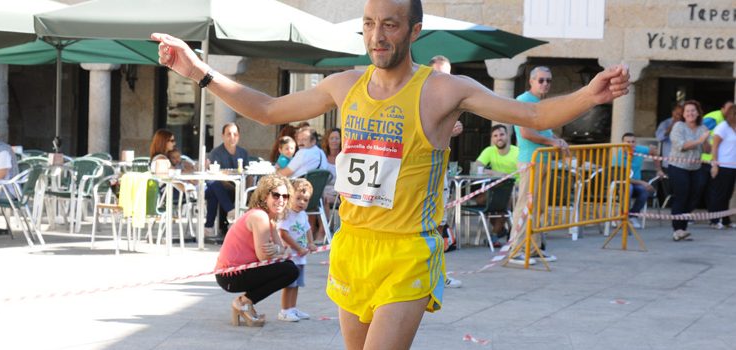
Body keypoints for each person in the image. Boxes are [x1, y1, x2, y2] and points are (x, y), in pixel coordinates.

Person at [152, 0, 629, 345]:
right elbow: (269, 108)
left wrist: (589, 96)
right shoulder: (344, 84)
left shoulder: (443, 90)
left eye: (390, 25)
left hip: (407, 252)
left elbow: (530, 117)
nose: (378, 36)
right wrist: (200, 73)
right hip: (353, 245)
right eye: (369, 24)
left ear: (414, 31)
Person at [214, 174, 299, 327]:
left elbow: (284, 253)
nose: (281, 200)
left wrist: (278, 249)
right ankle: (243, 302)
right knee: (290, 270)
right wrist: (277, 250)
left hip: (234, 272)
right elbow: (265, 257)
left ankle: (246, 303)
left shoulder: (269, 218)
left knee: (289, 266)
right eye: (276, 195)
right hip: (231, 275)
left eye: (285, 196)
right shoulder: (260, 217)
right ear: (264, 196)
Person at [509, 66, 566, 265]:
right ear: (531, 81)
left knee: (539, 208)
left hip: (542, 160)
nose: (545, 84)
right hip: (530, 159)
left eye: (548, 81)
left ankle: (533, 249)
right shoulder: (524, 100)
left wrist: (557, 140)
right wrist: (552, 143)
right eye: (541, 80)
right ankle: (516, 249)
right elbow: (526, 133)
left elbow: (546, 133)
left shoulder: (540, 103)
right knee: (525, 205)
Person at [429, 54, 464, 288]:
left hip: (441, 169)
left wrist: (454, 128)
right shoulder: (423, 97)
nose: (444, 78)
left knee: (440, 223)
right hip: (423, 172)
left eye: (447, 74)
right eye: (440, 73)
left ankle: (438, 273)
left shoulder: (452, 99)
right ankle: (428, 274)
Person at [668, 100, 710, 241]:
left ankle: (683, 228)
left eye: (693, 111)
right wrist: (699, 140)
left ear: (698, 113)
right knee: (681, 196)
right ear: (683, 114)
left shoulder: (702, 128)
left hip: (695, 167)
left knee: (694, 197)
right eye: (688, 111)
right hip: (678, 167)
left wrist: (705, 141)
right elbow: (682, 146)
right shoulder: (679, 126)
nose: (691, 113)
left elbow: (707, 150)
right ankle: (678, 229)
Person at [277, 178, 317, 322]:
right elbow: (283, 233)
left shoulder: (303, 215)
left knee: (296, 285)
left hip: (300, 257)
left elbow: (308, 229)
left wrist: (311, 243)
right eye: (298, 198)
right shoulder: (287, 214)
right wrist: (298, 248)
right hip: (290, 257)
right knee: (289, 285)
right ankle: (284, 310)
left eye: (305, 200)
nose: (302, 202)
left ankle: (292, 308)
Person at [475, 124, 519, 244]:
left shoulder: (517, 152)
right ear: (492, 139)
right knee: (480, 201)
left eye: (501, 134)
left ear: (508, 136)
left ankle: (495, 234)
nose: (499, 138)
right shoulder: (489, 150)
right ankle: (500, 230)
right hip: (496, 187)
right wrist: (497, 173)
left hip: (516, 187)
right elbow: (475, 168)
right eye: (495, 136)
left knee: (503, 202)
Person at [205, 122, 250, 236]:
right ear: (223, 136)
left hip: (239, 188)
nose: (232, 137)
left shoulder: (243, 153)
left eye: (235, 134)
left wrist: (247, 191)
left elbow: (248, 174)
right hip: (224, 187)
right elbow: (215, 176)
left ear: (239, 136)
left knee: (213, 192)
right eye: (229, 134)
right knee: (214, 185)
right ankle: (231, 212)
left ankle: (209, 226)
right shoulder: (216, 153)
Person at [617, 133, 658, 229]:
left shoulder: (639, 149)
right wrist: (643, 182)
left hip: (636, 182)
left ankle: (633, 216)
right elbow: (624, 177)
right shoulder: (619, 156)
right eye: (628, 142)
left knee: (644, 190)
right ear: (622, 143)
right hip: (622, 183)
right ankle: (623, 216)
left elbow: (654, 151)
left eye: (633, 141)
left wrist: (658, 169)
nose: (631, 144)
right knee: (629, 188)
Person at [708, 103, 736, 229]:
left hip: (733, 165)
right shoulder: (722, 127)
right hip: (723, 165)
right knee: (720, 193)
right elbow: (715, 147)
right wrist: (715, 165)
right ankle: (714, 220)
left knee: (728, 194)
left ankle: (725, 220)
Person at [655, 103, 683, 174]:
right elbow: (659, 138)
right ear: (673, 112)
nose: (679, 115)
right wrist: (672, 126)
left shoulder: (688, 124)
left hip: (684, 163)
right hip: (668, 162)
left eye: (681, 113)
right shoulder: (665, 123)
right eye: (677, 113)